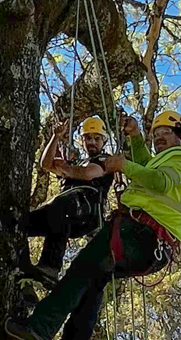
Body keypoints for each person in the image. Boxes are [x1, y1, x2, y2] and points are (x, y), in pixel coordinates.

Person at [6, 110, 181, 340]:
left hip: (140, 232)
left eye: (164, 133)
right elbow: (149, 168)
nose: (158, 139)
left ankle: (35, 329)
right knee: (93, 282)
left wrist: (123, 165)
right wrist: (135, 138)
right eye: (155, 135)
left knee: (81, 270)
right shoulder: (167, 159)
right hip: (150, 246)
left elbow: (160, 181)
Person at [20, 116, 115, 286]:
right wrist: (55, 137)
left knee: (61, 205)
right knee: (20, 223)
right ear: (82, 140)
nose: (92, 142)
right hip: (63, 213)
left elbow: (88, 174)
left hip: (87, 211)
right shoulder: (76, 162)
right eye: (88, 138)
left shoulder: (106, 160)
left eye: (97, 138)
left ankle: (51, 266)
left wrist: (67, 169)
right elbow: (46, 165)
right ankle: (23, 271)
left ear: (104, 140)